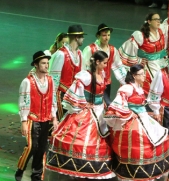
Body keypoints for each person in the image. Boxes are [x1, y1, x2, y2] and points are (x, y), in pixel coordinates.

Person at [46, 51, 115, 179]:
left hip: (100, 110)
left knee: (105, 136)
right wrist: (83, 104)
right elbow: (75, 90)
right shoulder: (86, 76)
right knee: (82, 139)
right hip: (89, 111)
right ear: (97, 62)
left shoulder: (102, 74)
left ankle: (101, 164)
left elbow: (102, 93)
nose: (106, 65)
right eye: (104, 63)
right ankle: (80, 167)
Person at [104, 64, 169, 180]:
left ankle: (147, 170)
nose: (144, 76)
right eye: (142, 74)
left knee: (159, 136)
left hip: (143, 117)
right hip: (132, 120)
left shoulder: (139, 88)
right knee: (138, 140)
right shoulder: (127, 88)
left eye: (144, 73)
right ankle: (133, 172)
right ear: (134, 76)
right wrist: (130, 114)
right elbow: (117, 105)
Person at [15, 51, 58, 181]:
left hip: (45, 119)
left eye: (47, 63)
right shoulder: (28, 82)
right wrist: (23, 121)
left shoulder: (50, 80)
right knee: (32, 147)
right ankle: (20, 169)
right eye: (43, 63)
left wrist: (54, 117)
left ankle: (37, 174)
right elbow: (24, 102)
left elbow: (53, 99)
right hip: (32, 120)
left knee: (42, 147)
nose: (46, 66)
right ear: (36, 65)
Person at [118, 12, 169, 94]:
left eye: (159, 19)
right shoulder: (140, 36)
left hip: (163, 63)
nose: (158, 21)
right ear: (149, 21)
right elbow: (129, 50)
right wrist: (138, 61)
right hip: (149, 66)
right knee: (149, 86)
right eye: (155, 19)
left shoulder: (162, 31)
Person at [82, 23, 127, 105]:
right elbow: (84, 67)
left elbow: (118, 67)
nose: (107, 38)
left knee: (104, 106)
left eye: (109, 35)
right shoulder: (90, 49)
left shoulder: (113, 50)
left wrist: (127, 81)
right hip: (93, 84)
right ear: (98, 36)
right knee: (96, 105)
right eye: (104, 35)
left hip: (106, 84)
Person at [49, 24, 85, 120]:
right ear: (76, 37)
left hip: (74, 97)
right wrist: (52, 103)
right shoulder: (61, 54)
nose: (83, 39)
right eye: (82, 36)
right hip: (61, 97)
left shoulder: (80, 54)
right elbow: (53, 79)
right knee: (61, 124)